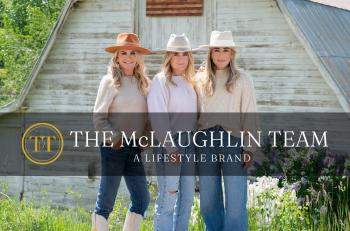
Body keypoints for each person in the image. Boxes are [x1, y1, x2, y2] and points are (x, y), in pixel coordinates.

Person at [196, 30, 258, 231]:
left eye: (225, 50)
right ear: (211, 53)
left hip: (233, 142)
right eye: (216, 50)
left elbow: (250, 114)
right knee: (207, 201)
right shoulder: (200, 79)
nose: (221, 54)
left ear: (232, 54)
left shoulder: (243, 80)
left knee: (235, 202)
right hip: (205, 142)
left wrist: (250, 148)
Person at [92, 33, 150, 231]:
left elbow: (149, 118)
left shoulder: (144, 83)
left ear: (138, 57)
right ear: (116, 56)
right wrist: (115, 138)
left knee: (142, 199)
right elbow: (99, 118)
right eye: (123, 53)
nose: (128, 57)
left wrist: (145, 140)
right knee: (106, 201)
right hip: (113, 147)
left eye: (132, 53)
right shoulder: (109, 81)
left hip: (134, 148)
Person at [147, 34, 198, 231]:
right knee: (168, 200)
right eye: (176, 54)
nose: (180, 59)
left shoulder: (189, 82)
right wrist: (170, 148)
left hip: (189, 144)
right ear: (168, 56)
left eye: (184, 54)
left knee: (186, 201)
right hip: (170, 145)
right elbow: (158, 118)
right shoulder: (160, 81)